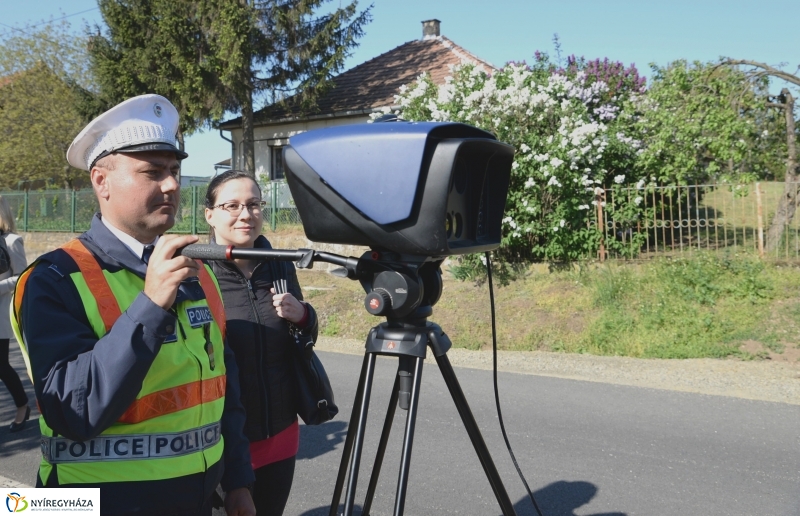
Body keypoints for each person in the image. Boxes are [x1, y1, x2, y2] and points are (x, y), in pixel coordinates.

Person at [11, 95, 255, 516]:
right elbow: (73, 412)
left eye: (175, 170)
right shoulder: (52, 278)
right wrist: (150, 305)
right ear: (101, 181)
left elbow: (222, 386)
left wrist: (237, 480)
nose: (173, 185)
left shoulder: (199, 271)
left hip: (199, 499)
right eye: (152, 172)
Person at [204, 170, 319, 516]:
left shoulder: (279, 264)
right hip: (222, 440)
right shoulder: (195, 271)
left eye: (254, 204)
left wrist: (303, 316)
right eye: (232, 205)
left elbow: (304, 339)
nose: (246, 214)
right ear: (209, 214)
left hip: (281, 433)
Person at [0, 195, 29, 432]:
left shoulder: (11, 241)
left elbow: (23, 276)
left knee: (1, 365)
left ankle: (22, 406)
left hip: (0, 311)